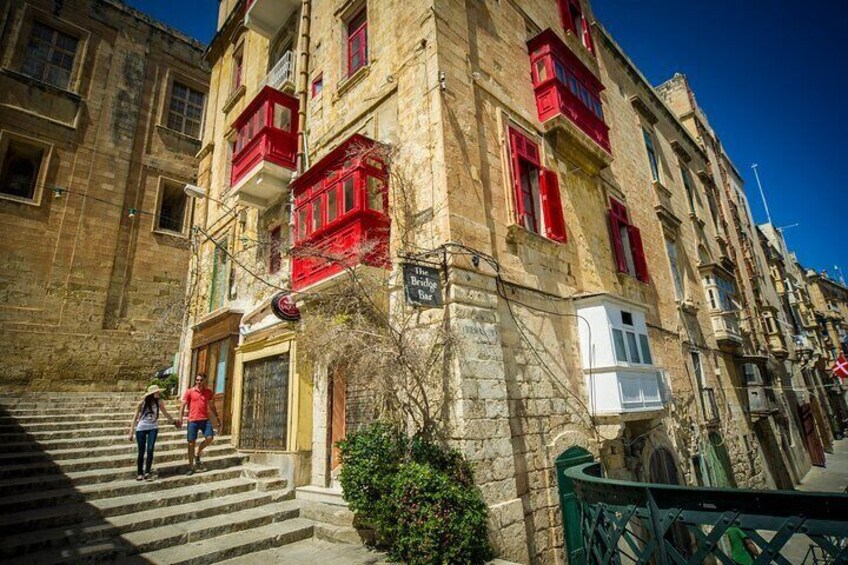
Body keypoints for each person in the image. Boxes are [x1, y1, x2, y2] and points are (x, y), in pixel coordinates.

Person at [128, 384, 180, 481]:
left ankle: (147, 472)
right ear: (152, 394)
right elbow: (135, 417)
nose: (159, 393)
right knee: (141, 451)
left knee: (150, 449)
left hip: (153, 427)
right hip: (141, 428)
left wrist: (174, 422)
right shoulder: (141, 403)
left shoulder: (159, 402)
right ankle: (140, 473)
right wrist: (131, 432)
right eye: (157, 392)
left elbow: (165, 413)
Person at [180, 372, 221, 475]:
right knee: (190, 443)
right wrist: (180, 418)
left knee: (209, 438)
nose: (199, 382)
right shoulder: (190, 392)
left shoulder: (208, 392)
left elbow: (211, 406)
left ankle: (198, 452)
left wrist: (216, 417)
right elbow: (182, 405)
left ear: (205, 381)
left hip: (204, 419)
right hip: (192, 420)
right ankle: (190, 467)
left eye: (201, 380)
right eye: (197, 380)